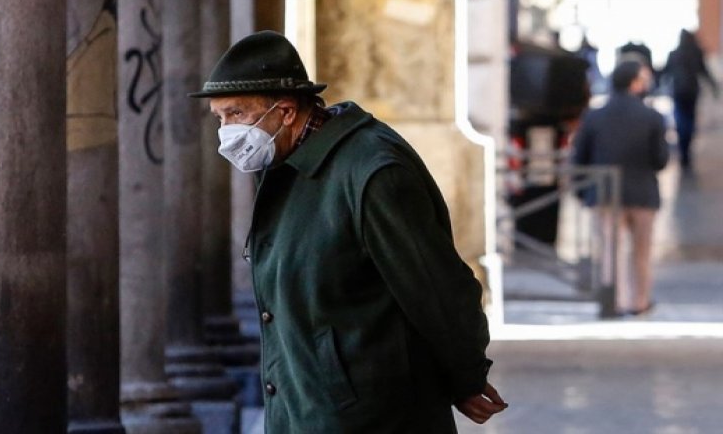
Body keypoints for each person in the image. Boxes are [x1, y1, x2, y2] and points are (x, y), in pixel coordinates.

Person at [189, 31, 506, 433]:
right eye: (219, 118)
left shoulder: (372, 172)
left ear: (285, 111)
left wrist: (466, 376)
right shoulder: (285, 164)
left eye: (236, 114)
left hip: (370, 419)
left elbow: (437, 289)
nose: (226, 133)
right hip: (307, 415)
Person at [571, 60, 669, 317]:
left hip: (605, 194)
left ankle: (614, 301)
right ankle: (639, 302)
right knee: (642, 253)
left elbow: (579, 157)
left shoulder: (594, 116)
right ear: (635, 83)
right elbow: (661, 160)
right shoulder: (652, 117)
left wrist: (582, 192)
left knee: (609, 251)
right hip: (642, 194)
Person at [661, 29, 719, 169]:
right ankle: (686, 150)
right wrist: (714, 87)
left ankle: (683, 149)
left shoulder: (675, 54)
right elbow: (704, 71)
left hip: (679, 91)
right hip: (691, 91)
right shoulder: (696, 53)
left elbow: (665, 72)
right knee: (689, 120)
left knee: (681, 120)